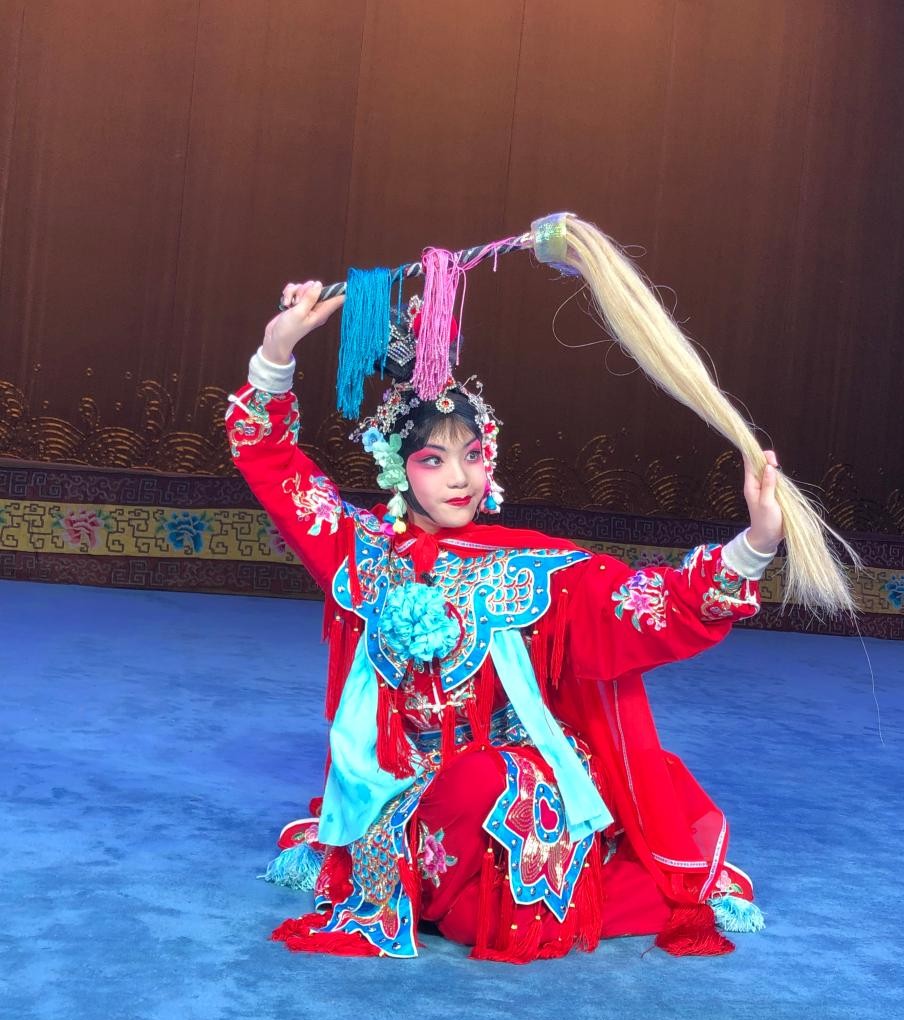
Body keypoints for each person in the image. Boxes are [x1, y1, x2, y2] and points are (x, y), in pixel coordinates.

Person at [226, 277, 784, 962]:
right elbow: (268, 460)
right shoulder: (357, 549)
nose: (459, 478)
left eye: (473, 456)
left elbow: (652, 606)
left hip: (508, 786)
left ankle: (494, 882)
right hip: (404, 793)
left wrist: (754, 545)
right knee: (460, 890)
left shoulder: (532, 568)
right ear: (399, 469)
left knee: (488, 883)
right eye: (433, 460)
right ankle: (435, 878)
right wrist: (276, 351)